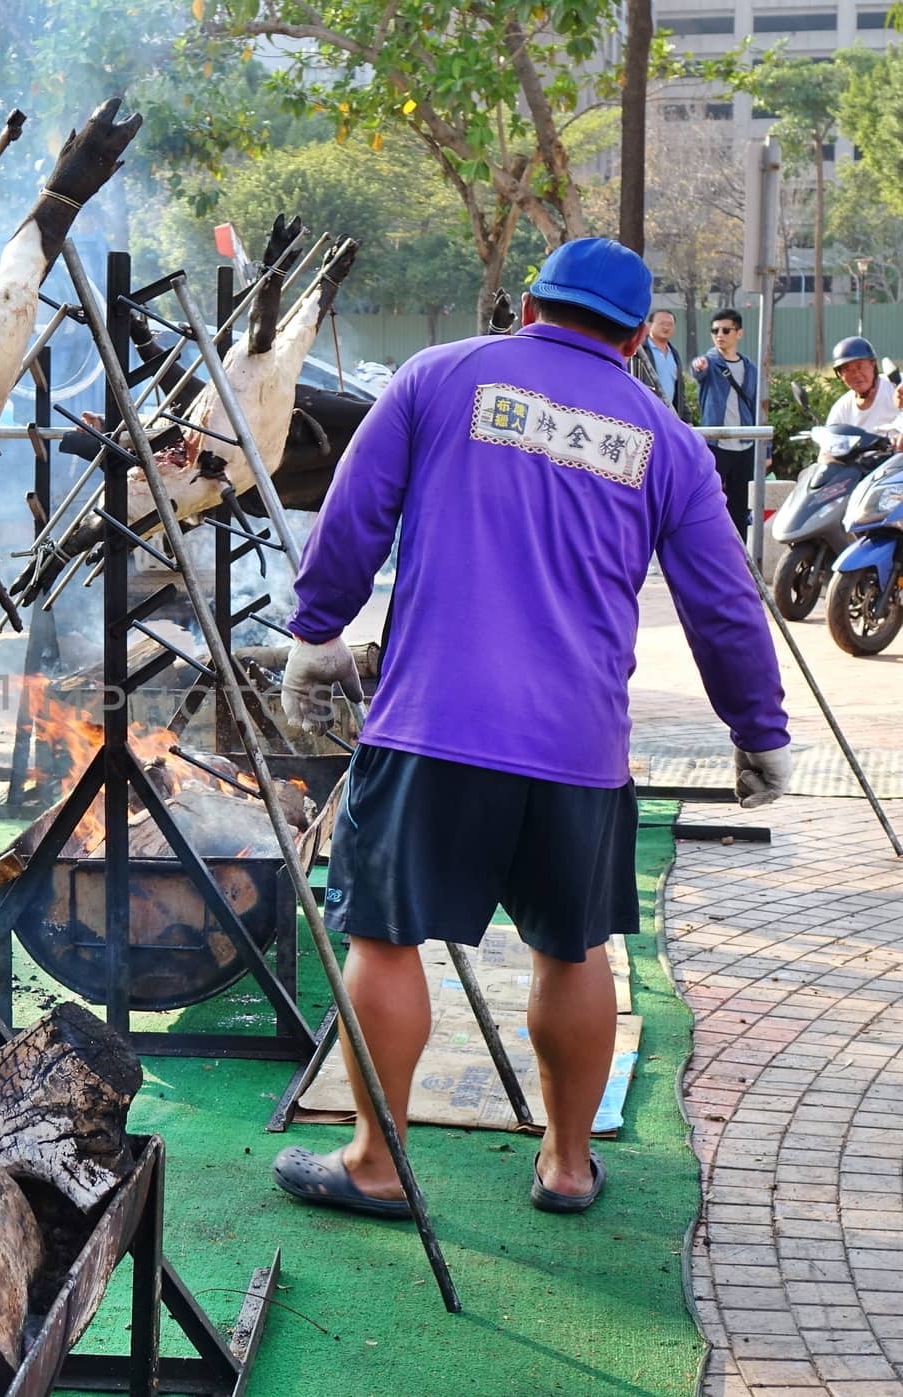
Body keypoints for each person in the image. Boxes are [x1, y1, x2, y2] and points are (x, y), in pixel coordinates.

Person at [271, 238, 790, 1220]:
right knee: (573, 945)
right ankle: (563, 1163)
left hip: (430, 726)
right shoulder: (666, 441)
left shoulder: (440, 377)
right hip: (577, 751)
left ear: (526, 307)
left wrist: (315, 628)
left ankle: (376, 1162)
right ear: (638, 339)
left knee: (384, 941)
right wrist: (757, 730)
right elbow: (723, 601)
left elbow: (353, 513)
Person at [691, 309, 757, 540]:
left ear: (739, 333)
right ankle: (709, 546)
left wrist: (765, 449)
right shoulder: (709, 362)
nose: (720, 335)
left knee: (740, 504)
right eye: (715, 331)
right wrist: (698, 367)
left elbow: (757, 406)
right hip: (716, 443)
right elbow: (698, 371)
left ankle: (739, 555)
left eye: (726, 330)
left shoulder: (750, 368)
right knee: (709, 500)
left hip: (745, 444)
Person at [824, 336, 903, 439]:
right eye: (847, 369)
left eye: (860, 366)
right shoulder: (841, 409)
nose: (856, 374)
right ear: (840, 375)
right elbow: (827, 451)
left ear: (873, 364)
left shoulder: (897, 384)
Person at [633, 308, 690, 422]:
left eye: (670, 324)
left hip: (670, 418)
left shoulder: (674, 354)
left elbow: (680, 391)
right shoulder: (638, 351)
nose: (666, 327)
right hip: (646, 416)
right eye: (662, 323)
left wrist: (686, 419)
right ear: (649, 325)